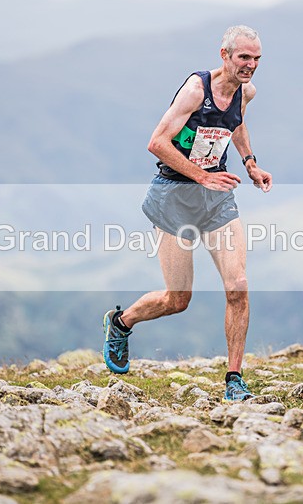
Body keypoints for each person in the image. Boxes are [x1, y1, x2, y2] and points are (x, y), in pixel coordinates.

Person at [102, 25, 272, 402]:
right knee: (178, 299)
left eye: (257, 58)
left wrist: (250, 164)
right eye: (244, 57)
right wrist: (200, 176)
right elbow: (156, 142)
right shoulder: (196, 90)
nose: (251, 65)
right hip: (174, 197)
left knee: (238, 286)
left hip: (216, 200)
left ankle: (234, 380)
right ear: (224, 55)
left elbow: (237, 123)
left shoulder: (247, 91)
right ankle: (121, 322)